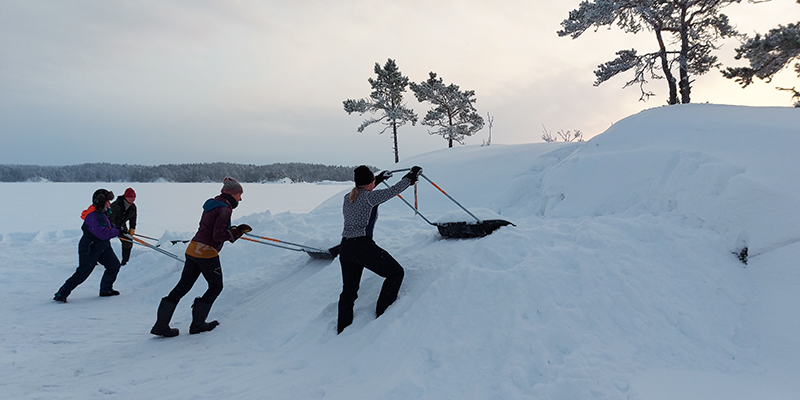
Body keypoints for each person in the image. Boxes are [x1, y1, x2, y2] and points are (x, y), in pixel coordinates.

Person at [150, 177, 252, 337]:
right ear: (232, 194)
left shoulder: (213, 204)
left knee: (182, 287)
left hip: (193, 248)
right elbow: (218, 235)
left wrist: (231, 230)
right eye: (240, 195)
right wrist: (235, 232)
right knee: (216, 286)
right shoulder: (225, 209)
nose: (241, 199)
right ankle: (198, 324)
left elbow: (212, 228)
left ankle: (160, 325)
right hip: (206, 252)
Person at [336, 165, 422, 334]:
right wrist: (410, 177)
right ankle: (384, 313)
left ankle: (342, 328)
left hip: (345, 248)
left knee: (349, 291)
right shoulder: (370, 197)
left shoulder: (348, 197)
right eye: (373, 181)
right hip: (363, 247)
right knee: (395, 273)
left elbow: (365, 188)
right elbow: (394, 191)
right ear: (370, 183)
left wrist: (380, 178)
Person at [54, 189, 122, 302]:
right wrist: (117, 232)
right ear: (101, 201)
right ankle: (62, 293)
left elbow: (108, 226)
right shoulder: (92, 215)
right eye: (108, 201)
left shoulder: (102, 212)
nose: (110, 203)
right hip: (90, 248)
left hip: (103, 246)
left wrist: (118, 229)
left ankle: (106, 290)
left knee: (114, 265)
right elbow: (102, 233)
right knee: (82, 273)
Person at [110, 187, 137, 266]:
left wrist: (132, 229)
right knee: (102, 242)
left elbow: (133, 219)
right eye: (131, 197)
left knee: (128, 241)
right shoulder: (116, 205)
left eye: (134, 197)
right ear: (126, 197)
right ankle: (96, 259)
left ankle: (125, 262)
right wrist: (114, 229)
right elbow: (111, 217)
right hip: (109, 225)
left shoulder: (133, 207)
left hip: (122, 225)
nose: (133, 199)